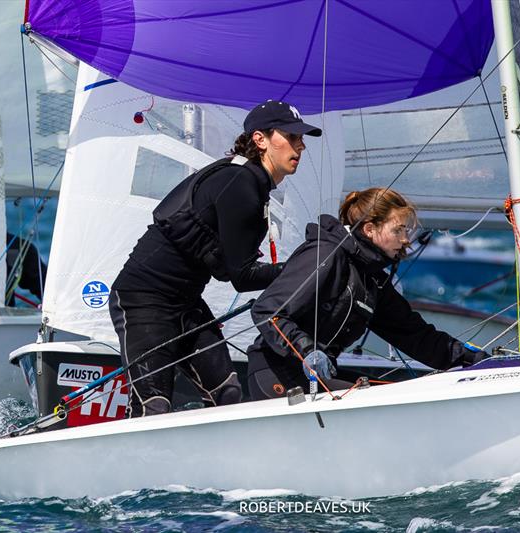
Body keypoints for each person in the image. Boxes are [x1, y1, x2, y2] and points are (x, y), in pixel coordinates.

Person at [109, 100, 322, 417]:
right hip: (143, 299)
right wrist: (302, 268)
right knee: (154, 406)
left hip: (186, 303)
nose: (300, 145)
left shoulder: (250, 182)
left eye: (301, 138)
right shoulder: (240, 183)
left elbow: (229, 269)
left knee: (228, 394)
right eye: (291, 136)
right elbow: (241, 275)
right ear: (260, 140)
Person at [246, 187, 490, 400]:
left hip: (315, 377)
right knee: (385, 401)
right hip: (276, 372)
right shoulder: (327, 254)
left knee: (392, 393)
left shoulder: (372, 279)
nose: (406, 240)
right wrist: (308, 351)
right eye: (398, 231)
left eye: (407, 231)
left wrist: (474, 359)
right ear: (370, 229)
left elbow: (415, 335)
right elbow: (269, 311)